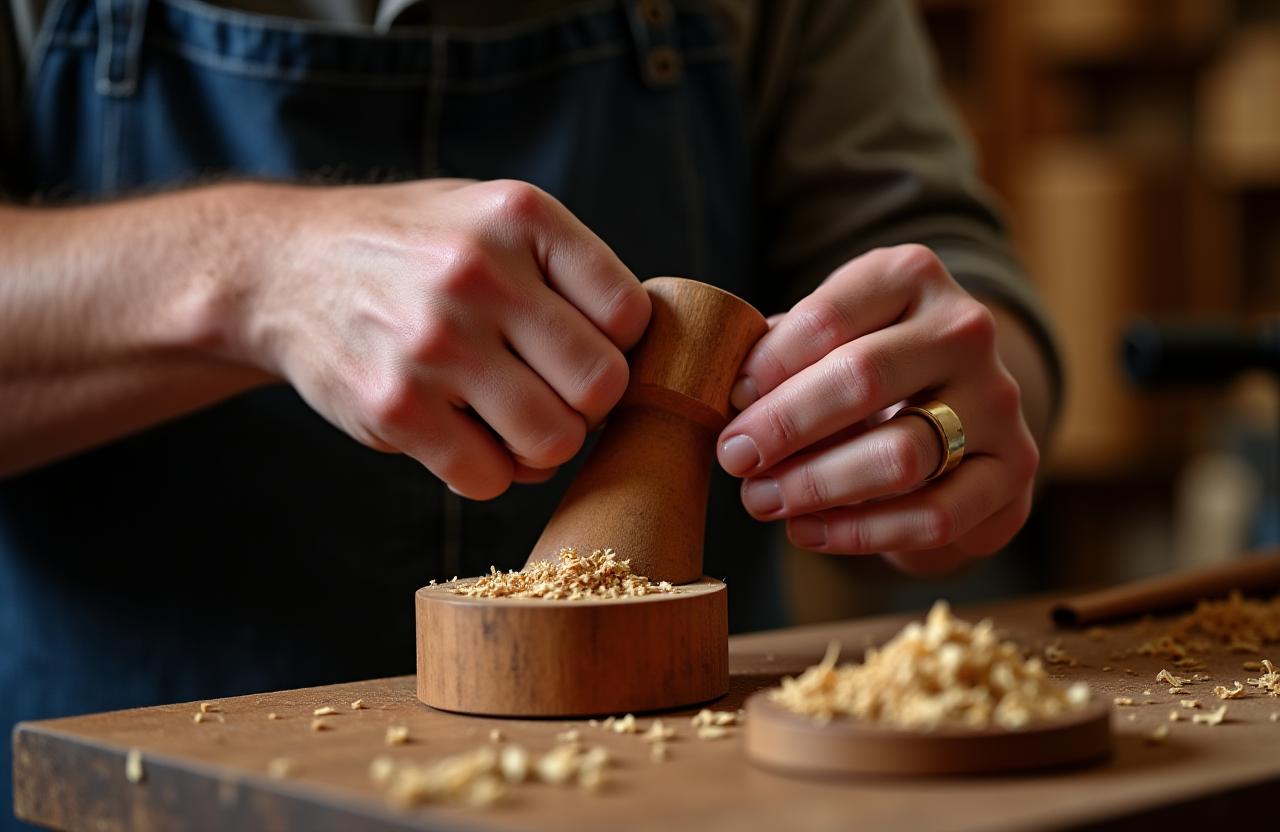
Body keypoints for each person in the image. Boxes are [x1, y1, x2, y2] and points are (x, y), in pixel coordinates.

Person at [0, 0, 1058, 825]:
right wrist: (247, 275)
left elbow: (949, 279)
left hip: (686, 794)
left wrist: (943, 420)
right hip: (131, 784)